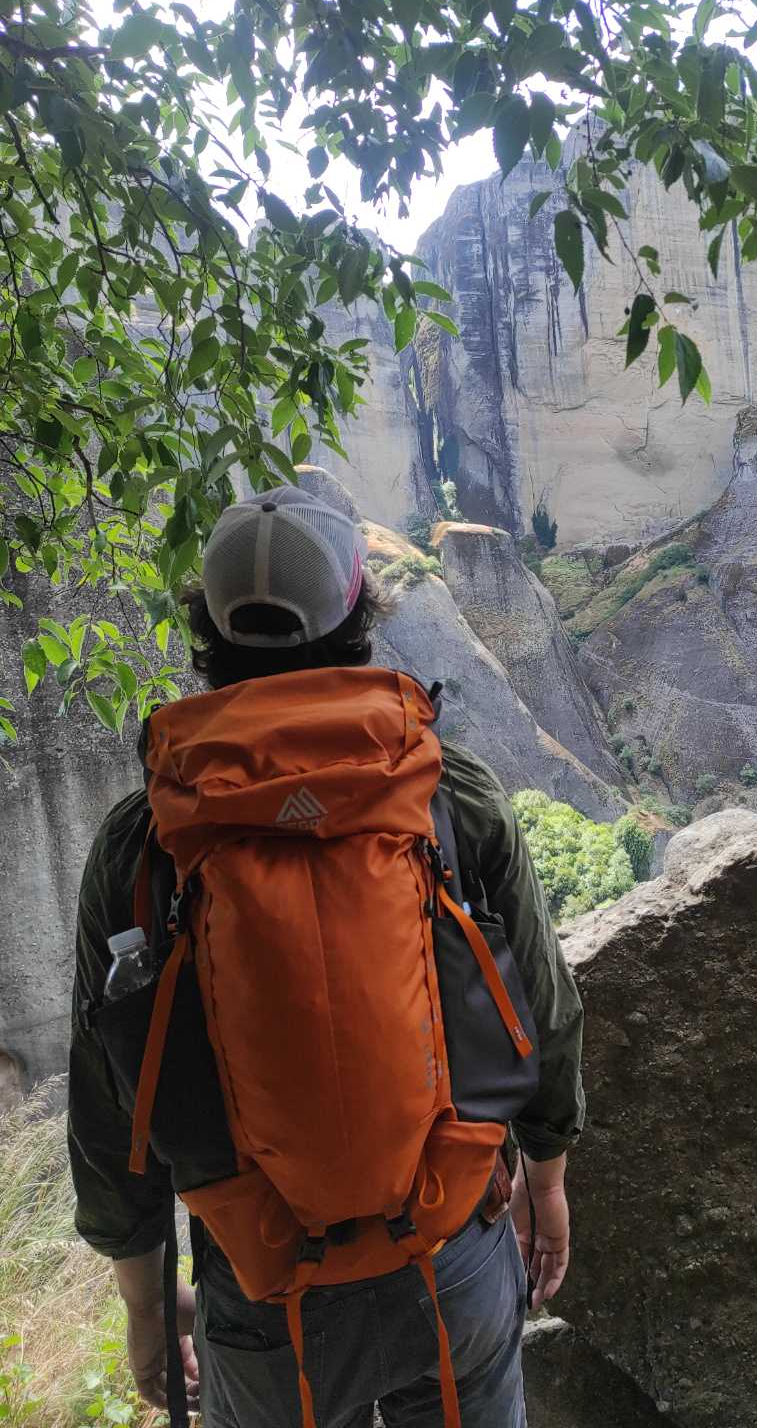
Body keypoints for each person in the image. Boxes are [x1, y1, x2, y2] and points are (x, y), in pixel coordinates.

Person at [67, 485, 584, 1428]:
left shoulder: (145, 839)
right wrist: (544, 1181)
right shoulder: (445, 790)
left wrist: (147, 1312)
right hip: (451, 1253)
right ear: (358, 618)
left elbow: (113, 1104)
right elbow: (542, 1011)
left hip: (264, 1291)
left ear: (208, 633)